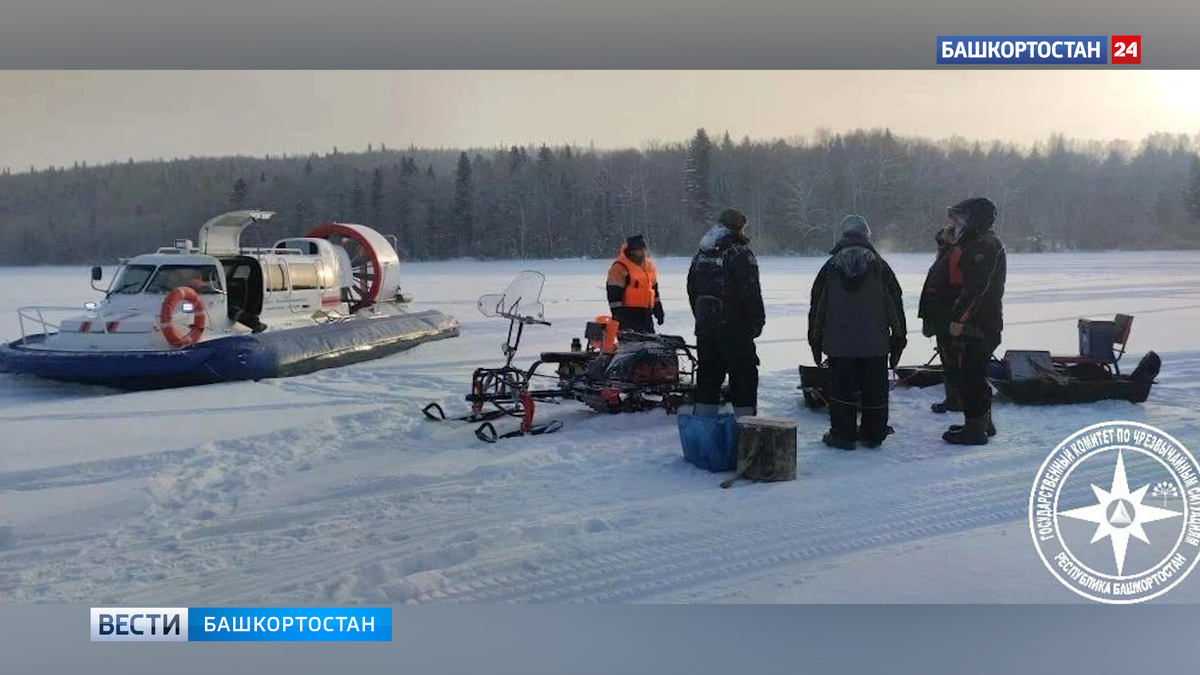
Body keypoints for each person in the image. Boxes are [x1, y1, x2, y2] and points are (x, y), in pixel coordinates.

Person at [808, 215, 906, 450]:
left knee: (841, 390)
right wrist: (898, 341)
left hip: (838, 344)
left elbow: (817, 308)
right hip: (875, 344)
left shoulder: (830, 268)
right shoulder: (880, 267)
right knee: (875, 389)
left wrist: (815, 340)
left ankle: (842, 436)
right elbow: (895, 306)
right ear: (866, 236)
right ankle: (874, 434)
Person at [687, 208, 765, 417]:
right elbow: (749, 291)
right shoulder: (739, 253)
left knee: (708, 378)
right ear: (738, 227)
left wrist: (702, 318)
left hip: (705, 327)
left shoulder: (701, 254)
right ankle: (746, 427)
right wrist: (757, 322)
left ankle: (704, 429)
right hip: (734, 327)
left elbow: (692, 290)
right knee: (744, 376)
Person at [942, 197, 1006, 445]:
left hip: (979, 323)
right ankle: (980, 422)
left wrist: (959, 319)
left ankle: (976, 429)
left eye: (961, 219)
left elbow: (977, 288)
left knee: (971, 376)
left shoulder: (985, 245)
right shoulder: (976, 243)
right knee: (972, 374)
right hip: (980, 321)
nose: (956, 224)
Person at [918, 223, 964, 415]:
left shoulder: (954, 255)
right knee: (949, 360)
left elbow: (956, 287)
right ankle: (953, 399)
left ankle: (958, 400)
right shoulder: (946, 256)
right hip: (942, 317)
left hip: (948, 318)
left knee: (954, 360)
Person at [606, 234, 664, 334]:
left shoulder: (649, 267)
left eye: (644, 250)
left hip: (646, 315)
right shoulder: (619, 268)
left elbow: (654, 290)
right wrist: (618, 315)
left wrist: (658, 308)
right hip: (627, 315)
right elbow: (613, 294)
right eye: (639, 251)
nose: (642, 253)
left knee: (650, 345)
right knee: (631, 347)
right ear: (631, 251)